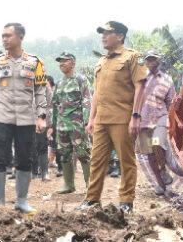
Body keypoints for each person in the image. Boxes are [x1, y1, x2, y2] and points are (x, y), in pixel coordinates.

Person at [78, 21, 147, 214]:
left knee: (126, 161)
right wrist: (91, 119)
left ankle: (126, 202)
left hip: (122, 118)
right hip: (101, 119)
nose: (103, 36)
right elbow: (97, 93)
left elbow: (140, 87)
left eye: (108, 33)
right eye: (102, 33)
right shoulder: (101, 61)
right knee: (97, 160)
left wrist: (135, 116)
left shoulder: (132, 57)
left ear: (120, 36)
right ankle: (92, 199)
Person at [0, 23, 48, 213]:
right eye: (2, 36)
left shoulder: (35, 63)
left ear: (20, 37)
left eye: (8, 36)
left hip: (26, 119)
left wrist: (41, 116)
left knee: (25, 158)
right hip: (2, 117)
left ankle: (21, 201)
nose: (4, 39)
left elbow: (41, 91)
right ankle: (0, 203)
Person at [52, 52, 92, 194]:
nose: (61, 63)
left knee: (83, 153)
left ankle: (90, 185)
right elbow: (55, 106)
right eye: (60, 61)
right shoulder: (58, 83)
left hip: (77, 124)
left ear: (73, 63)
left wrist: (87, 122)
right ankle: (69, 185)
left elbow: (87, 102)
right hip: (62, 125)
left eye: (65, 61)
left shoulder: (81, 79)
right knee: (64, 154)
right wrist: (53, 125)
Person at [137, 50, 175, 196]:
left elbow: (171, 102)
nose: (150, 62)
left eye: (153, 59)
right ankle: (160, 183)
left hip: (161, 117)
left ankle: (163, 169)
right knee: (149, 154)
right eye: (148, 59)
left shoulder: (167, 79)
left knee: (157, 143)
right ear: (145, 62)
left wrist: (173, 121)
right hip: (143, 120)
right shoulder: (140, 79)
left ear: (159, 61)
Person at [32, 76, 54, 181]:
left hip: (41, 119)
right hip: (25, 119)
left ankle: (44, 173)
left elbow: (50, 106)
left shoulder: (45, 85)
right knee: (28, 146)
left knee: (42, 145)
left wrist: (49, 124)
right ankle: (33, 171)